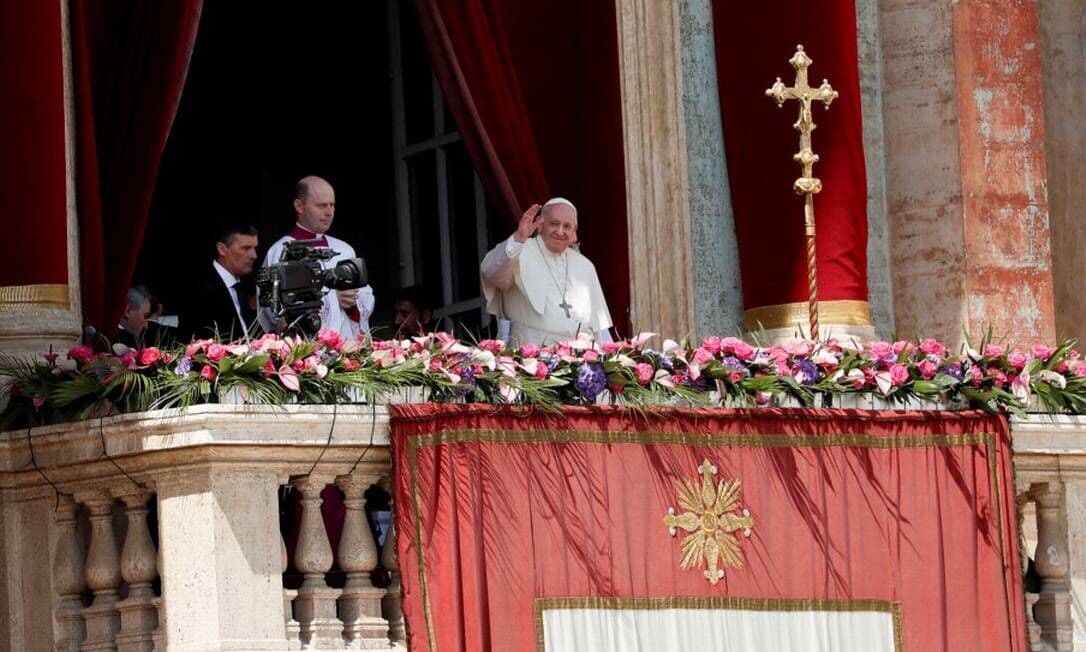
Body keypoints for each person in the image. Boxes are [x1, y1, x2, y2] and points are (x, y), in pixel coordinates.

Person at [480, 197, 612, 345]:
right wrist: (519, 238)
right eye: (554, 224)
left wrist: (614, 360)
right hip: (530, 354)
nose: (560, 231)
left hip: (580, 356)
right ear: (540, 225)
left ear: (574, 232)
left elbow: (599, 326)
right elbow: (490, 271)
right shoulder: (519, 249)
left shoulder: (585, 265)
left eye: (567, 226)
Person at [263, 176, 375, 338]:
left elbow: (365, 294)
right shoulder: (281, 251)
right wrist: (334, 299)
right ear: (299, 206)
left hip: (347, 346)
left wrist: (352, 303)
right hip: (306, 352)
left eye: (332, 205)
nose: (329, 212)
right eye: (321, 206)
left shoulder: (344, 249)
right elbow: (273, 309)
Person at [177, 225, 260, 342]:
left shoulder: (247, 286)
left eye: (254, 248)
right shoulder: (197, 290)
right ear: (222, 249)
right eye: (246, 248)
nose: (254, 256)